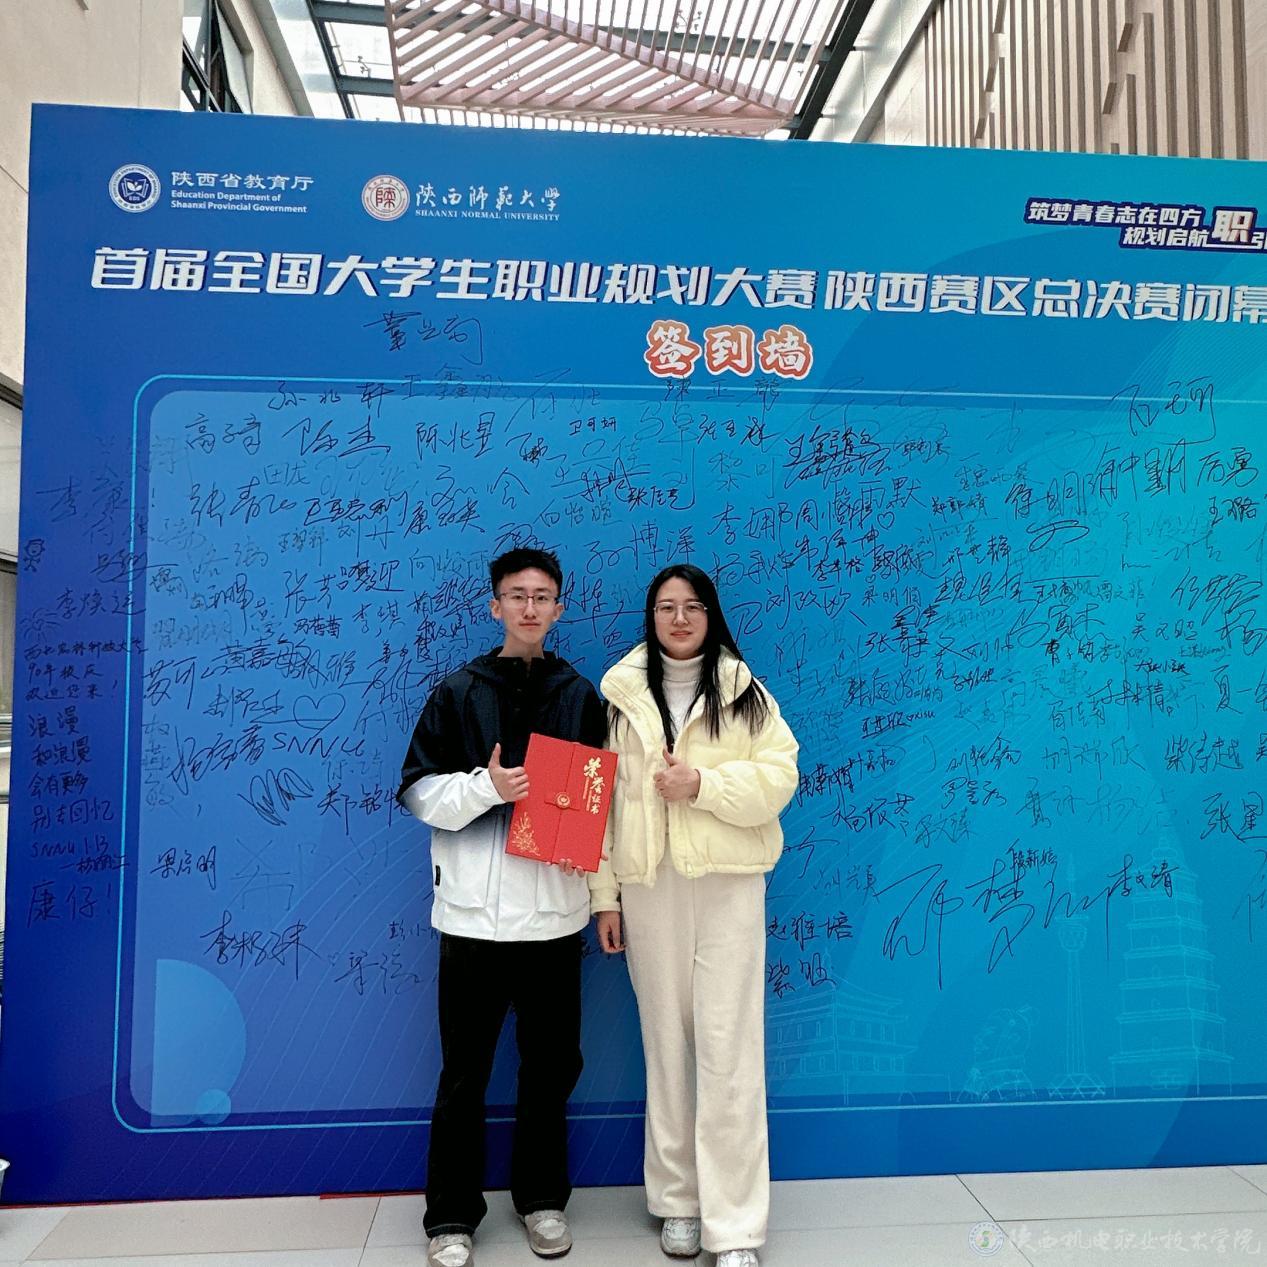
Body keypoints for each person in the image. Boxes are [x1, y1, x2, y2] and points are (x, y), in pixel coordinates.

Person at [398, 547, 606, 1267]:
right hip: (472, 922)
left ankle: (542, 1200)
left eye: (542, 595)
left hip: (553, 919)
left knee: (551, 1068)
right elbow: (418, 792)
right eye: (516, 594)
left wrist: (584, 855)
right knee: (464, 1073)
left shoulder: (578, 694)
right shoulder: (457, 690)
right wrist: (487, 788)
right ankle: (450, 1216)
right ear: (495, 606)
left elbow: (597, 801)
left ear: (558, 608)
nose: (529, 606)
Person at [591, 564, 799, 1267]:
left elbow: (779, 779)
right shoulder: (619, 698)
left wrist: (701, 783)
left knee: (728, 1046)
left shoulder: (746, 693)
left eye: (692, 606)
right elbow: (601, 806)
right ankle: (678, 1199)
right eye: (665, 607)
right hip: (649, 888)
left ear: (711, 615)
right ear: (650, 617)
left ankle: (734, 1226)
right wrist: (604, 897)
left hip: (728, 886)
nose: (679, 619)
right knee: (666, 1044)